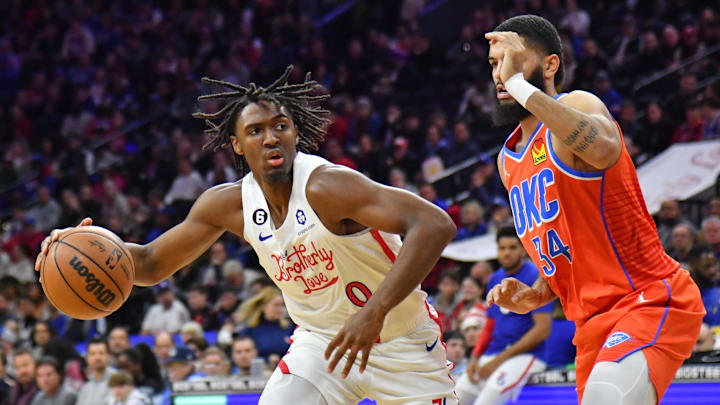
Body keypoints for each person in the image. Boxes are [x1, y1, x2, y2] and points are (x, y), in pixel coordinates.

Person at [37, 66, 458, 404]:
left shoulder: (328, 187)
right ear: (237, 145)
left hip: (402, 343)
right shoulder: (229, 205)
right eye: (255, 131)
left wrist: (375, 311)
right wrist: (78, 246)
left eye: (280, 126)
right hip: (322, 346)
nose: (270, 136)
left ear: (296, 134)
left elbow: (434, 224)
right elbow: (146, 265)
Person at [485, 15, 705, 405]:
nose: (500, 74)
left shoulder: (577, 104)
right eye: (494, 64)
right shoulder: (508, 160)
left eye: (511, 61)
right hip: (589, 324)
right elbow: (569, 244)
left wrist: (520, 85)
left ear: (550, 65)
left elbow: (604, 148)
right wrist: (538, 293)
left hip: (648, 298)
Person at [456, 226, 552, 405]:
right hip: (495, 352)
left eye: (512, 248)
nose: (507, 253)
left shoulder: (536, 276)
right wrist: (475, 357)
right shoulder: (494, 278)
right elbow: (490, 324)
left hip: (527, 356)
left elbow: (542, 330)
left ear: (523, 249)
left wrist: (499, 360)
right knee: (454, 398)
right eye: (502, 248)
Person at [77, 338, 115, 405]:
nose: (97, 357)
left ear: (108, 356)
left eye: (101, 353)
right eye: (93, 354)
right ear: (87, 358)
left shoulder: (117, 380)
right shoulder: (86, 388)